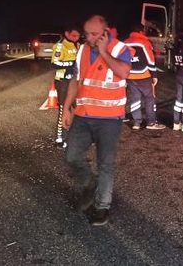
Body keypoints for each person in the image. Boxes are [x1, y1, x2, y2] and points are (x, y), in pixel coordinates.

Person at [62, 14, 132, 226]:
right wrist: (66, 107)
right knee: (71, 156)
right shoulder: (82, 49)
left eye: (94, 34)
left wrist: (103, 52)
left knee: (106, 164)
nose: (89, 38)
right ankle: (89, 183)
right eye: (87, 34)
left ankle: (102, 206)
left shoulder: (120, 49)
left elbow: (124, 72)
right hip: (83, 115)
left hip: (109, 118)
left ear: (105, 32)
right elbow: (77, 79)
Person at [124, 22, 164, 130]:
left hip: (130, 76)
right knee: (149, 99)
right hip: (144, 75)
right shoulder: (144, 42)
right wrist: (154, 75)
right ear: (141, 31)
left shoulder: (125, 43)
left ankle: (136, 122)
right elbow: (150, 60)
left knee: (135, 99)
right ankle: (151, 122)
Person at [50, 22, 81, 146]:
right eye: (73, 35)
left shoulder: (78, 45)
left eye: (78, 35)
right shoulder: (60, 46)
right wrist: (71, 64)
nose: (76, 38)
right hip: (63, 81)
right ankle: (59, 138)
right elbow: (54, 63)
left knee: (79, 108)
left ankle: (76, 136)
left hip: (75, 81)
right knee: (64, 109)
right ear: (67, 34)